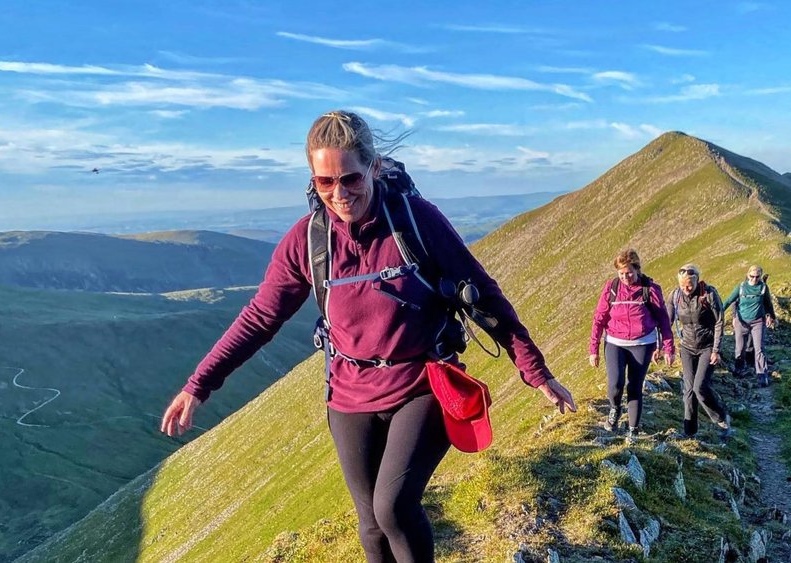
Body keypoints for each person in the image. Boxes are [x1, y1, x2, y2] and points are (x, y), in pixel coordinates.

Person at [159, 110, 577, 563]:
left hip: (423, 384)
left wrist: (535, 371)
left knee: (393, 507)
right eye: (324, 182)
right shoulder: (309, 241)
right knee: (371, 525)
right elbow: (261, 317)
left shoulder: (415, 222)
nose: (339, 194)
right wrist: (197, 386)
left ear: (374, 168)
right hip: (349, 395)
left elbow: (484, 297)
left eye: (351, 179)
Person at [589, 249, 675, 443]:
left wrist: (668, 348)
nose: (626, 277)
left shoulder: (650, 289)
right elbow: (599, 319)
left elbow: (663, 320)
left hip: (642, 343)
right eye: (621, 273)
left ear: (637, 269)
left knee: (635, 387)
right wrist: (593, 349)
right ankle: (615, 409)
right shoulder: (611, 288)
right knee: (616, 384)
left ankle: (633, 431)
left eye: (629, 272)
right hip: (615, 342)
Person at [666, 264, 731, 439]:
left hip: (707, 347)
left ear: (696, 281)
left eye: (689, 285)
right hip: (687, 347)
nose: (686, 289)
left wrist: (716, 350)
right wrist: (664, 347)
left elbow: (719, 321)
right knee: (688, 391)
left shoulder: (708, 294)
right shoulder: (675, 296)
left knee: (699, 387)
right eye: (682, 285)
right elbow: (667, 322)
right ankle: (690, 432)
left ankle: (721, 418)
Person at [723, 264, 777, 387]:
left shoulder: (763, 288)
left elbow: (768, 303)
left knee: (759, 348)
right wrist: (719, 313)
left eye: (757, 277)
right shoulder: (741, 287)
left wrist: (771, 316)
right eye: (752, 276)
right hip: (741, 321)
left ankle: (762, 375)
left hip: (758, 321)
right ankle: (739, 369)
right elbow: (729, 301)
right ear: (748, 275)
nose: (754, 279)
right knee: (740, 348)